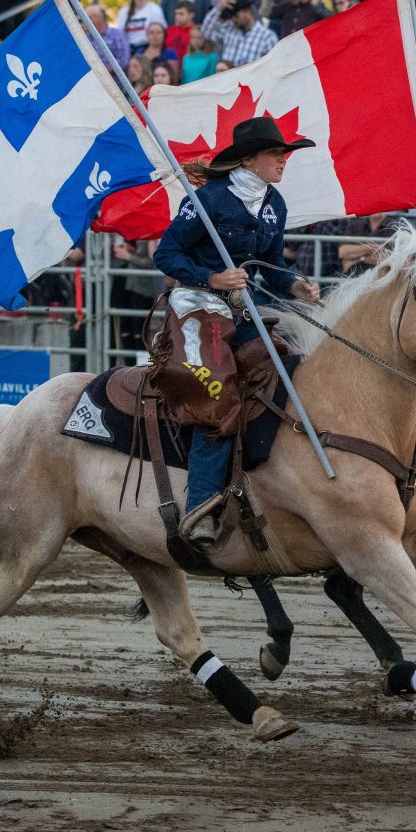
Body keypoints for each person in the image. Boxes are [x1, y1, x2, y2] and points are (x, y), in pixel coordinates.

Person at [151, 116, 322, 545]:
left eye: (285, 154)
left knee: (290, 362)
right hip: (197, 307)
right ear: (249, 160)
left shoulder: (274, 204)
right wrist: (211, 277)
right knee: (218, 396)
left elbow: (271, 265)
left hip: (243, 309)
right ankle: (202, 505)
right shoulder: (207, 198)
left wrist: (295, 285)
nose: (284, 160)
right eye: (276, 153)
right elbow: (166, 253)